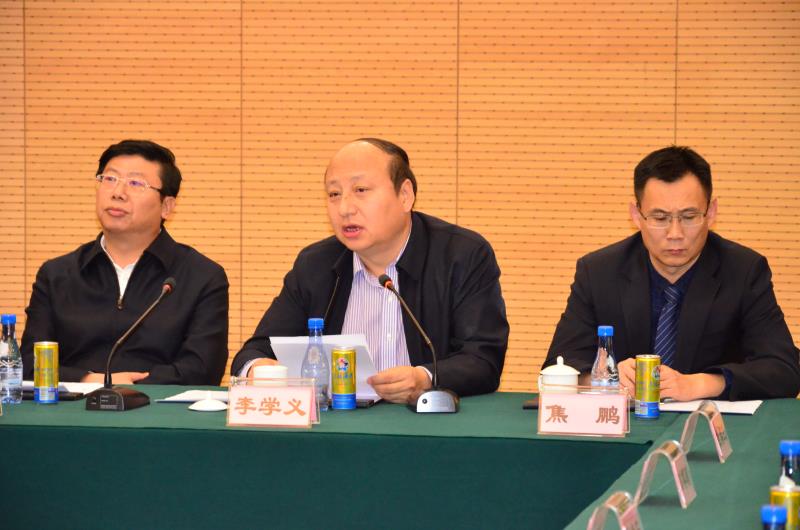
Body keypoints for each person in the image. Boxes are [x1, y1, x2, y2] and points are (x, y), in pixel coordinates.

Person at [231, 138, 508, 403]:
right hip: (337, 424)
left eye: (361, 190)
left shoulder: (461, 256)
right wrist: (257, 368)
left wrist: (425, 377)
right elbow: (255, 351)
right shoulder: (315, 265)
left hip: (428, 425)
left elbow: (483, 360)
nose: (345, 208)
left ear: (405, 195)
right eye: (334, 194)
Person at [544, 145, 800, 401]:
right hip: (628, 421)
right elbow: (559, 366)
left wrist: (701, 384)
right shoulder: (599, 272)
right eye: (660, 218)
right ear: (636, 216)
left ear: (711, 213)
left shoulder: (743, 271)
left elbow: (785, 370)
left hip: (708, 423)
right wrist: (604, 379)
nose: (675, 233)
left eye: (689, 217)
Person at [21, 139, 229, 385]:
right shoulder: (57, 275)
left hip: (159, 407)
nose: (118, 192)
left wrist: (131, 388)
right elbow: (29, 365)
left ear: (166, 206)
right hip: (73, 406)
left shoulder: (201, 276)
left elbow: (203, 369)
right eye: (109, 179)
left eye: (135, 183)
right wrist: (90, 380)